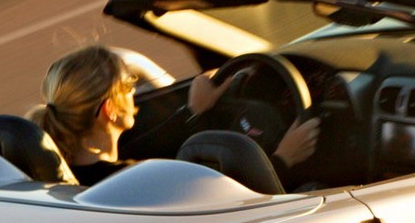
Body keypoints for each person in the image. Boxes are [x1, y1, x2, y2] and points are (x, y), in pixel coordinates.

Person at [37, 45, 319, 186]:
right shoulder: (136, 181)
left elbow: (150, 143)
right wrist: (283, 158)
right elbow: (229, 209)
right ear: (109, 110)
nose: (134, 93)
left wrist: (195, 111)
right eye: (128, 86)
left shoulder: (62, 169)